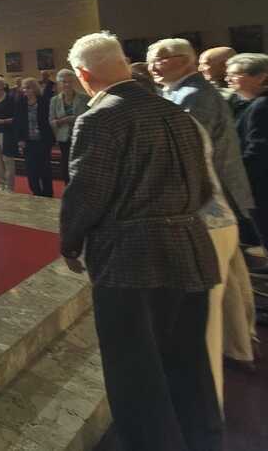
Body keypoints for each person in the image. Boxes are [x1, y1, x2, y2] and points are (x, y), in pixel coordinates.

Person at [61, 32, 222, 451]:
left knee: (135, 373)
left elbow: (88, 193)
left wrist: (70, 242)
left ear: (84, 75)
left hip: (132, 258)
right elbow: (204, 187)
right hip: (191, 247)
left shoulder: (101, 117)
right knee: (188, 364)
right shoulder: (174, 112)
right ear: (123, 63)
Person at [149, 38, 258, 379]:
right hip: (215, 200)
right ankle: (241, 345)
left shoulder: (192, 96)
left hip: (207, 203)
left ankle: (221, 357)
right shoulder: (182, 92)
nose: (152, 65)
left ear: (185, 60)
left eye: (160, 58)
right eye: (150, 58)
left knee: (213, 284)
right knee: (231, 278)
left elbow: (187, 157)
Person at [227, 53, 268, 267]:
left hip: (260, 183)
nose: (228, 79)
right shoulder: (251, 104)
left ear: (260, 77)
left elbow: (258, 148)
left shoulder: (261, 105)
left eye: (235, 74)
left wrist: (239, 175)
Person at [14, 78, 54, 197]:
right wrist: (20, 139)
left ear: (34, 88)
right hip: (28, 141)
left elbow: (48, 121)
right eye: (24, 88)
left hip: (43, 140)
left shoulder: (44, 101)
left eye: (28, 88)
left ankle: (48, 193)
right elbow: (18, 122)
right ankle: (36, 192)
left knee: (45, 169)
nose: (25, 90)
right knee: (31, 170)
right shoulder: (20, 102)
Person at [49, 69, 89, 184]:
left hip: (81, 138)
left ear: (74, 82)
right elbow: (51, 121)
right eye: (64, 82)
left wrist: (75, 119)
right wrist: (63, 120)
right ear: (59, 83)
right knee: (66, 166)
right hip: (64, 138)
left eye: (70, 81)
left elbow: (89, 119)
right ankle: (68, 189)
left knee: (81, 166)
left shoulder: (84, 98)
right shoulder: (54, 100)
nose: (67, 84)